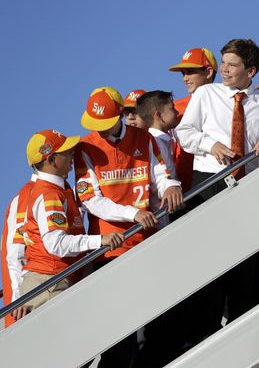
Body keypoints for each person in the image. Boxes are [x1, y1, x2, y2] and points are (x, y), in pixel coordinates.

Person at [175, 38, 259, 338]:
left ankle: (243, 333)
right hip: (208, 182)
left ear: (251, 70)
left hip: (248, 184)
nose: (224, 69)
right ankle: (203, 335)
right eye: (223, 63)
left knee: (245, 266)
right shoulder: (206, 94)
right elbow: (184, 132)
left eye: (232, 65)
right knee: (209, 264)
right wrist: (210, 145)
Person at [74, 86, 182, 367]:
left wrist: (171, 186)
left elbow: (161, 173)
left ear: (122, 115)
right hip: (111, 251)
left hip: (149, 241)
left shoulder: (144, 137)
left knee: (156, 322)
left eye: (105, 123)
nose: (100, 130)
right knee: (119, 334)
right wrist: (133, 213)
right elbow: (91, 200)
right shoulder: (85, 148)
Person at [17, 129, 124, 319]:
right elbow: (56, 244)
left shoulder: (60, 188)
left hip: (53, 281)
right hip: (50, 284)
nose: (72, 153)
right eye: (66, 151)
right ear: (51, 160)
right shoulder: (49, 193)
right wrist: (100, 240)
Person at [168, 47, 218, 191]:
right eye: (183, 73)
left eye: (190, 72)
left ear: (208, 72)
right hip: (178, 188)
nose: (185, 78)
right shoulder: (174, 108)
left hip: (212, 180)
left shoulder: (226, 103)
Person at [135, 90, 180, 229]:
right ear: (159, 115)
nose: (177, 112)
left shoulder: (164, 140)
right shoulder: (154, 142)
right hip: (164, 221)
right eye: (172, 108)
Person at [0, 171, 36, 327]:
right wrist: (19, 298)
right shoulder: (27, 195)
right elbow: (15, 255)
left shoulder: (61, 189)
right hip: (25, 309)